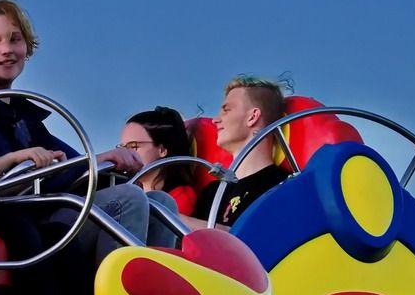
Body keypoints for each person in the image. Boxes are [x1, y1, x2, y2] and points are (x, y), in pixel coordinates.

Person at [0, 0, 178, 270]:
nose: (7, 50)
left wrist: (107, 161)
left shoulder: (22, 110)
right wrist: (99, 158)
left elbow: (71, 161)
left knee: (160, 201)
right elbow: (18, 175)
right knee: (127, 199)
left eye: (15, 39)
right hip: (24, 220)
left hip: (51, 209)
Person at [209, 75, 292, 226]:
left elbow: (247, 240)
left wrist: (168, 216)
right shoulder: (211, 192)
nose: (215, 120)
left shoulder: (281, 186)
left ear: (253, 117)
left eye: (226, 110)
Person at [121, 105, 215, 215]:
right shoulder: (128, 195)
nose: (124, 154)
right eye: (122, 148)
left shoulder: (180, 198)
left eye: (133, 146)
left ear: (162, 149)